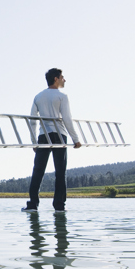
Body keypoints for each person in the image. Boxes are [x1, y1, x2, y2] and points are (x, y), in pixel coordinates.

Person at [22, 68, 81, 213]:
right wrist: (76, 139)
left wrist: (34, 141)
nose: (64, 79)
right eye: (62, 77)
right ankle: (59, 206)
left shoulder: (38, 96)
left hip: (44, 136)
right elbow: (67, 119)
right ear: (56, 78)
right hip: (60, 134)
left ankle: (33, 205)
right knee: (60, 172)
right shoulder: (62, 96)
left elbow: (33, 120)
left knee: (38, 171)